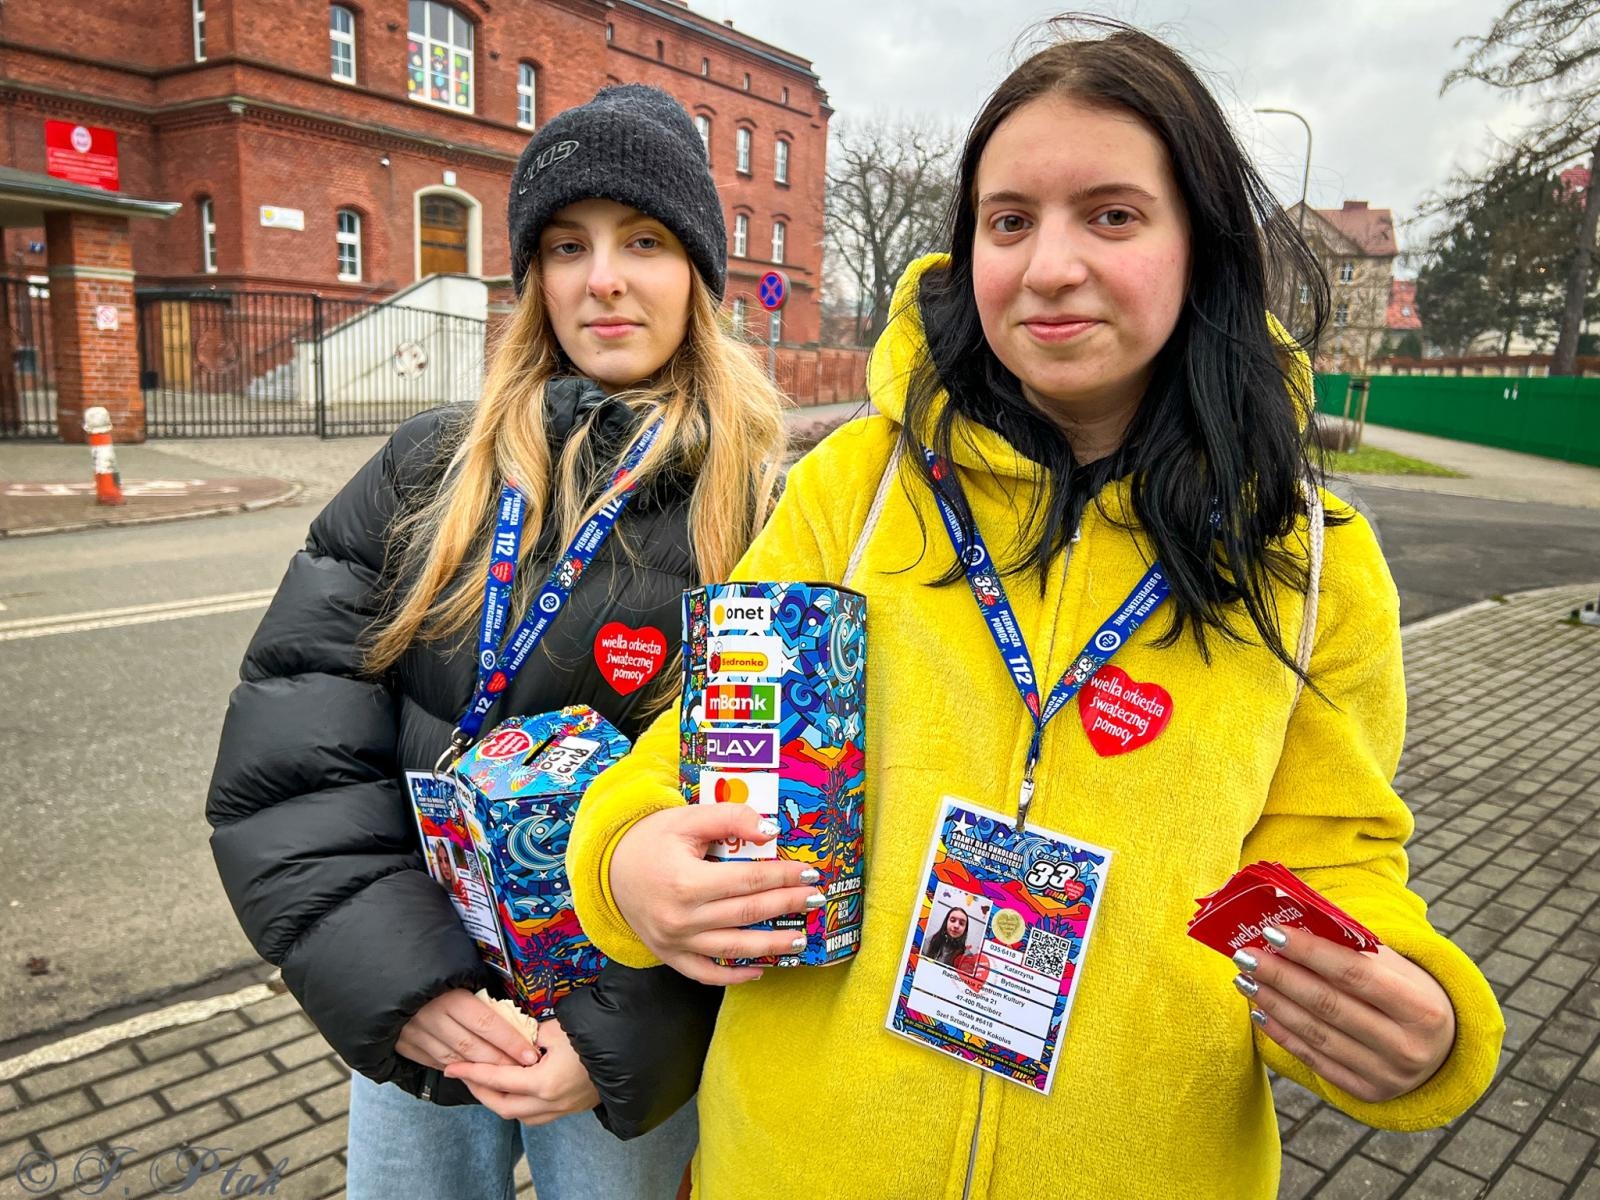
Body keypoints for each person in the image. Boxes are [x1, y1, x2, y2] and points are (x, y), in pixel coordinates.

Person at [566, 22, 1504, 1200]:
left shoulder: (1310, 559)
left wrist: (1408, 1010)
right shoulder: (851, 493)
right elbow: (688, 765)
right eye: (1009, 221)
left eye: (1110, 215)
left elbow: (1334, 853)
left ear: (1199, 249)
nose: (1048, 264)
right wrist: (631, 862)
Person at [206, 84, 786, 1200]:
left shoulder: (762, 510)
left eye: (645, 242)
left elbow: (771, 833)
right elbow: (292, 762)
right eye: (566, 245)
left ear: (700, 277)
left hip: (614, 1040)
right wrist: (410, 989)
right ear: (531, 277)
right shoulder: (431, 470)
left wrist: (620, 1038)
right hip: (425, 1012)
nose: (601, 279)